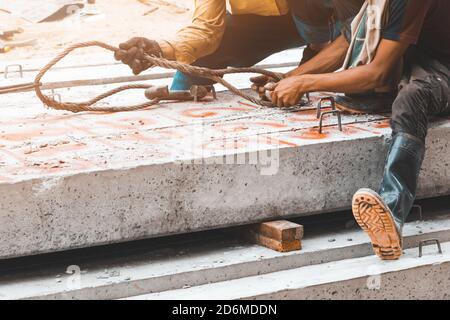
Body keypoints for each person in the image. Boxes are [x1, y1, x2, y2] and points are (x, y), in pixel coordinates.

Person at [263, 0, 450, 260]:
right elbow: (344, 43)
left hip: (443, 69)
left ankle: (392, 212)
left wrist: (304, 83)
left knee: (411, 98)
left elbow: (377, 73)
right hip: (416, 60)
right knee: (365, 83)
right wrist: (288, 79)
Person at [114, 0, 363, 91]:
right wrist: (159, 49)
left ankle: (319, 56)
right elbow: (206, 30)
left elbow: (359, 32)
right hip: (286, 24)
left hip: (344, 22)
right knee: (211, 50)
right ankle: (183, 92)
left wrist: (293, 77)